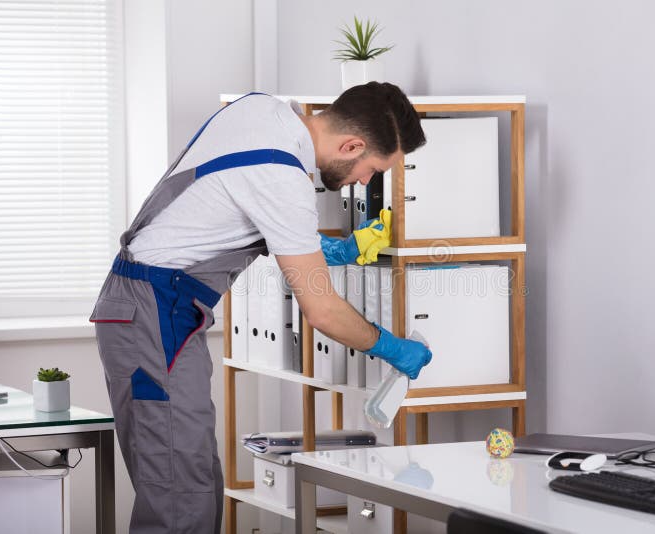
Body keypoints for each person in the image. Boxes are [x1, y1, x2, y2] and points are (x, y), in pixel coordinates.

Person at [89, 82, 433, 533]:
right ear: (352, 145)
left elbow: (224, 207)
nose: (365, 182)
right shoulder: (282, 176)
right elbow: (323, 311)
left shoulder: (262, 111)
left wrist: (333, 249)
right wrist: (392, 348)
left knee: (193, 481)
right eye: (372, 169)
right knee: (180, 500)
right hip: (155, 312)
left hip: (147, 308)